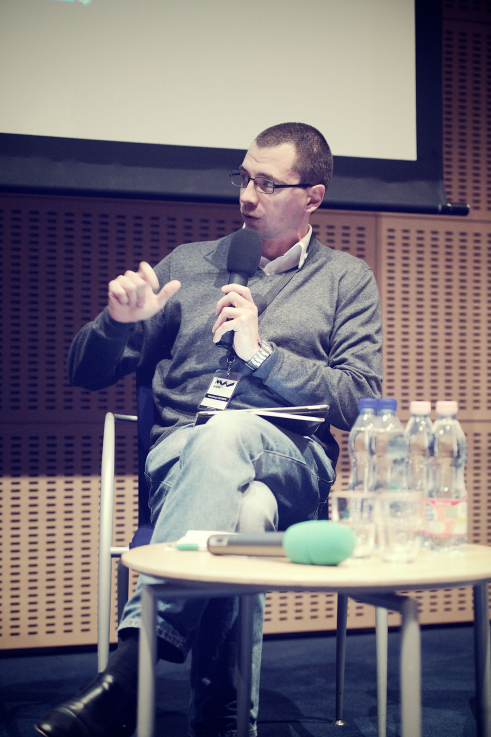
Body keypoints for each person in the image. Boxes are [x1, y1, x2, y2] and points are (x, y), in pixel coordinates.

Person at [35, 122, 383, 737]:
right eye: (243, 177)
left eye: (267, 184)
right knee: (244, 511)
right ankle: (221, 721)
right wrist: (117, 324)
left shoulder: (345, 279)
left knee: (231, 432)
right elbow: (83, 373)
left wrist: (263, 356)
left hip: (292, 461)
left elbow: (359, 401)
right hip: (183, 458)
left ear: (313, 196)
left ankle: (132, 667)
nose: (247, 196)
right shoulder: (188, 265)